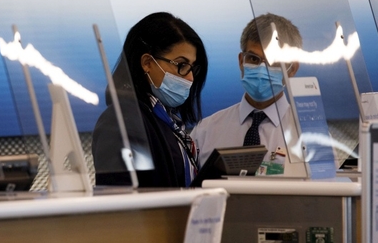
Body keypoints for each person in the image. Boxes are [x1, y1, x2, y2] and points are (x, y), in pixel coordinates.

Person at [92, 12, 208, 188]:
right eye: (181, 65)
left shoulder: (166, 121)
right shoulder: (122, 121)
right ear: (147, 62)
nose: (190, 78)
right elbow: (121, 198)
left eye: (192, 67)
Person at [191, 13, 302, 176]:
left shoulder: (308, 135)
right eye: (253, 59)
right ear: (241, 61)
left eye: (274, 62)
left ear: (292, 69)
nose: (262, 69)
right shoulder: (205, 132)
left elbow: (328, 192)